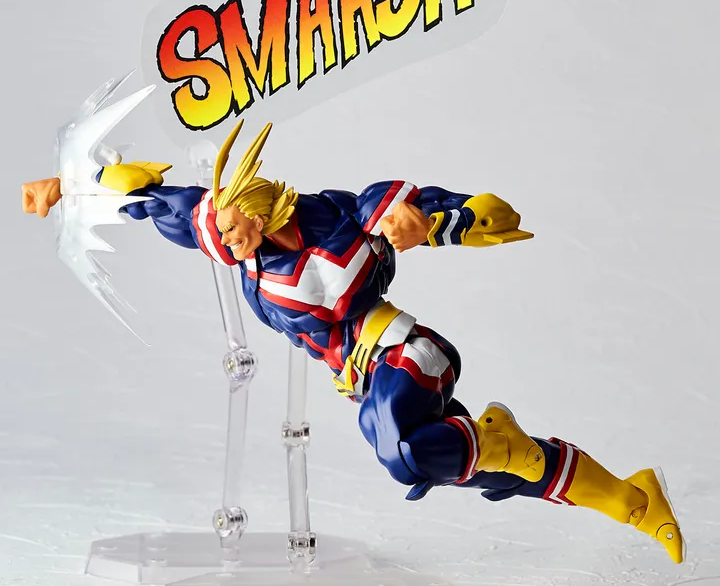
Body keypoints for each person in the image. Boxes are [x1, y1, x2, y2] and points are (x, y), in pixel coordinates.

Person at [22, 120, 685, 563]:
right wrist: (69, 189)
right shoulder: (228, 240)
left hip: (404, 351)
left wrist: (450, 219)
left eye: (234, 229)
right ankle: (628, 498)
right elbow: (148, 199)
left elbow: (422, 208)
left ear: (264, 210)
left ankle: (503, 441)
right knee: (439, 460)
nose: (224, 242)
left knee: (403, 451)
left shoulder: (340, 215)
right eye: (219, 233)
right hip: (363, 380)